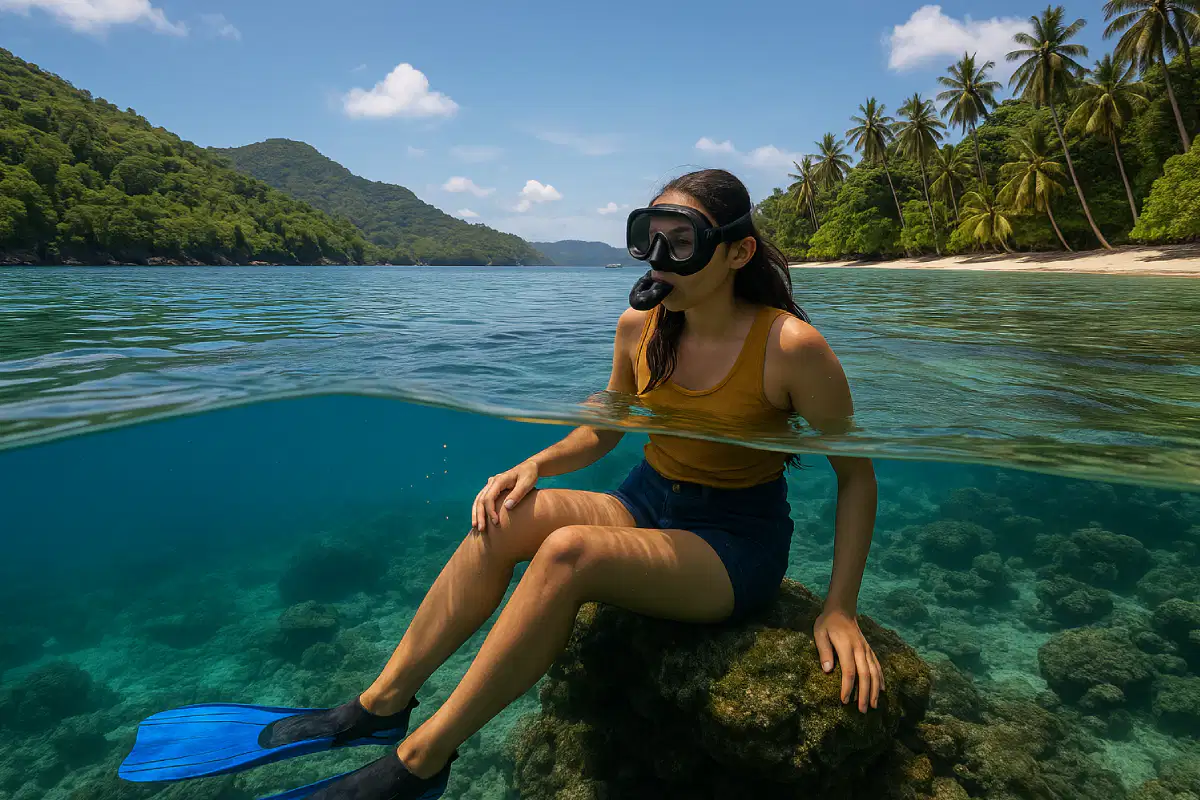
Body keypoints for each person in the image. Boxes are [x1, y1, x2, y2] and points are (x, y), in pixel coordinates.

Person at [118, 169, 880, 800]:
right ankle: (380, 706)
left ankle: (420, 761)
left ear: (736, 251)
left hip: (733, 542)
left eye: (680, 244)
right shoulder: (638, 327)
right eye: (647, 238)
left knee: (568, 554)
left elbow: (856, 476)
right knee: (507, 517)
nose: (656, 260)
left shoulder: (791, 347)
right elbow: (608, 430)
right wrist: (536, 465)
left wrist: (840, 608)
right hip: (648, 499)